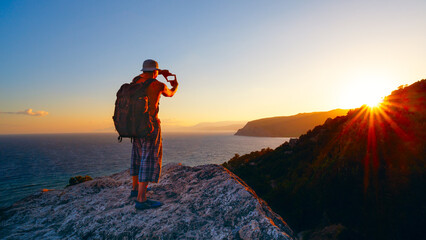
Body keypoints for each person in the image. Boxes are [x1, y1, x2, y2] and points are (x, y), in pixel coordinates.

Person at [130, 59, 178, 210]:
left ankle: (135, 189)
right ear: (155, 72)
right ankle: (141, 199)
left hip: (135, 125)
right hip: (150, 125)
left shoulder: (135, 81)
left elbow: (147, 74)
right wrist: (175, 86)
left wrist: (158, 71)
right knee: (148, 159)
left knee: (137, 155)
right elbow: (170, 94)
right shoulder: (158, 85)